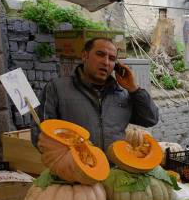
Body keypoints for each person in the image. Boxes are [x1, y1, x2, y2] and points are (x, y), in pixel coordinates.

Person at [31, 38, 159, 151]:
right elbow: (40, 134)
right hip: (74, 172)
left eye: (112, 59)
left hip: (114, 172)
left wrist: (134, 89)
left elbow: (150, 119)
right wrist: (65, 160)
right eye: (100, 54)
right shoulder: (57, 88)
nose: (106, 62)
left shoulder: (122, 95)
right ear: (84, 56)